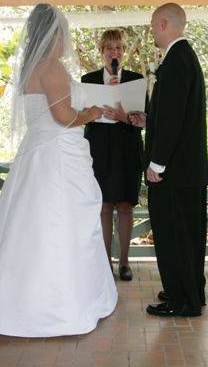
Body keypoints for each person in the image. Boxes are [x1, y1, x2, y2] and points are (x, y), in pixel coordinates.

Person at [0, 4, 117, 337]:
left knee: (28, 225)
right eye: (64, 33)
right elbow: (64, 117)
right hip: (59, 154)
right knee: (66, 223)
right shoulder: (53, 68)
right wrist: (89, 113)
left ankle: (11, 305)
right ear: (54, 34)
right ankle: (61, 308)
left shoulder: (29, 68)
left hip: (36, 153)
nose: (67, 40)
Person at [129, 3, 208, 317]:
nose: (151, 31)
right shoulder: (184, 58)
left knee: (175, 235)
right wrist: (149, 120)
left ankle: (182, 299)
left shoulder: (176, 61)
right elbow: (178, 115)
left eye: (152, 25)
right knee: (186, 235)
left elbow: (175, 118)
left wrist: (156, 163)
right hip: (187, 170)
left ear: (163, 23)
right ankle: (189, 290)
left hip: (174, 171)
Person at [81, 29, 144, 281]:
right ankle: (105, 262)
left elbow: (146, 119)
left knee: (126, 205)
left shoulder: (135, 79)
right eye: (109, 48)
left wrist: (125, 115)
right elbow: (80, 113)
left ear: (124, 52)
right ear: (102, 52)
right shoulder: (89, 78)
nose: (114, 53)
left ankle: (125, 262)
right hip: (99, 149)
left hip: (127, 148)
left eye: (118, 48)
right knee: (104, 205)